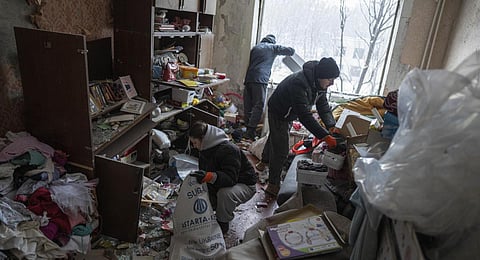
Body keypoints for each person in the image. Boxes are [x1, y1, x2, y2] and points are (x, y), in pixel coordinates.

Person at [262, 57, 341, 197]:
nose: (332, 83)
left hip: (289, 112)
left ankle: (263, 162)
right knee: (281, 150)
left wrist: (331, 125)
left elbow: (323, 106)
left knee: (276, 137)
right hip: (279, 111)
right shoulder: (299, 83)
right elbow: (304, 116)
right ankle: (272, 185)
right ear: (322, 75)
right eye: (330, 79)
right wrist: (324, 136)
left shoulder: (318, 84)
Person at [189, 121, 257, 234]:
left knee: (225, 194)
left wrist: (209, 177)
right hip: (224, 181)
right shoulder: (205, 149)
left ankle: (223, 224)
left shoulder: (228, 150)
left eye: (195, 142)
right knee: (200, 196)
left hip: (244, 184)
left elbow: (230, 178)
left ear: (203, 139)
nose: (194, 146)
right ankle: (218, 211)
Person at [243, 34, 295, 140]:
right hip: (260, 79)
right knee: (259, 105)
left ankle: (247, 129)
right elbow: (291, 51)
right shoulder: (272, 47)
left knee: (248, 105)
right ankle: (250, 131)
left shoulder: (256, 48)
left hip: (249, 78)